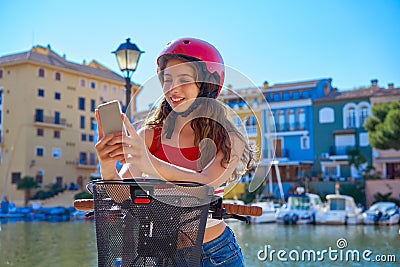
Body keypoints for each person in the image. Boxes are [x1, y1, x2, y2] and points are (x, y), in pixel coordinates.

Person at [95, 37, 254, 266]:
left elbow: (205, 186)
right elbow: (122, 197)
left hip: (214, 254)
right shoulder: (149, 136)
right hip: (159, 256)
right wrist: (107, 165)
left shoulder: (228, 140)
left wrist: (149, 163)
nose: (172, 89)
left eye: (184, 80)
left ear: (206, 85)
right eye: (167, 80)